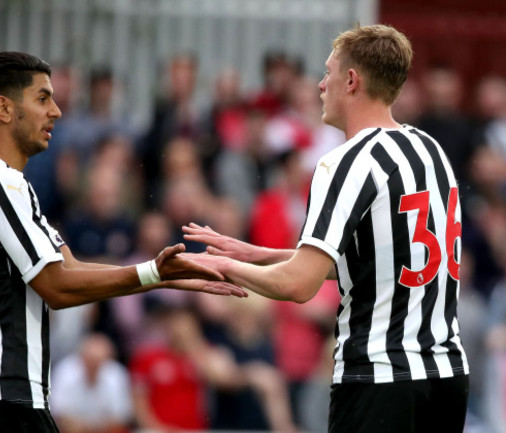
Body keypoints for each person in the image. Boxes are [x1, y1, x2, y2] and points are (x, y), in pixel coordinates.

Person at [0, 51, 246, 433]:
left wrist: (164, 277)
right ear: (3, 108)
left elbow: (70, 267)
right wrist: (152, 273)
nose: (57, 112)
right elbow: (57, 287)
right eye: (43, 98)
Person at [183, 24, 470, 433]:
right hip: (447, 377)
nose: (321, 84)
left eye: (328, 72)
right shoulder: (430, 150)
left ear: (351, 81)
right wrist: (257, 254)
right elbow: (384, 258)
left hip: (379, 378)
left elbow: (299, 285)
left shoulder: (345, 161)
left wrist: (215, 268)